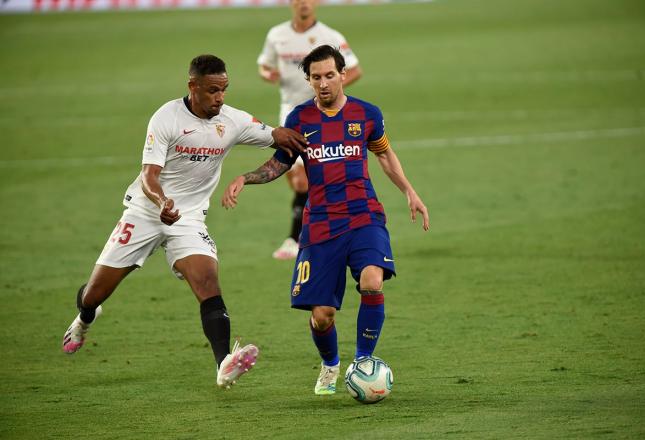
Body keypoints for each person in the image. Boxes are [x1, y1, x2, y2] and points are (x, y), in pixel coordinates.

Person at [61, 54, 308, 390]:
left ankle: (224, 363)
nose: (219, 98)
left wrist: (317, 132)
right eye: (212, 91)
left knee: (208, 280)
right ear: (193, 86)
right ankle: (84, 319)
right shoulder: (166, 118)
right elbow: (149, 176)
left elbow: (282, 137)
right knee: (94, 295)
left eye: (224, 90)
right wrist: (162, 202)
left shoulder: (232, 120)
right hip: (146, 212)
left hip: (188, 219)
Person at [223, 45, 430, 395]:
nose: (323, 83)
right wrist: (246, 177)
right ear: (308, 79)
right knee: (322, 316)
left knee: (372, 282)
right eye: (315, 77)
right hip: (320, 224)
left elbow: (384, 154)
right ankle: (331, 364)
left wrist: (409, 190)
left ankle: (363, 360)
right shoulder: (300, 120)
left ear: (343, 75)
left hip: (364, 215)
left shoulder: (367, 114)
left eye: (329, 75)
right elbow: (281, 163)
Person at [257, 0, 362, 260]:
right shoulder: (277, 35)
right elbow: (264, 65)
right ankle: (323, 225)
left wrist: (331, 88)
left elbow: (355, 69)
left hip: (322, 115)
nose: (304, 3)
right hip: (290, 113)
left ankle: (295, 239)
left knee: (304, 179)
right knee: (296, 181)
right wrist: (267, 74)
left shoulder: (330, 36)